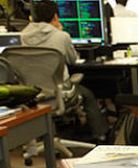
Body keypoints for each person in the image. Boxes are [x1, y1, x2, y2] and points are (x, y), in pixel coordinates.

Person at [21, 1, 109, 141]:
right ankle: (101, 135)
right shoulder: (61, 36)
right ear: (55, 16)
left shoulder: (22, 36)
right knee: (88, 94)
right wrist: (60, 32)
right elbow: (72, 60)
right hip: (58, 93)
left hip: (33, 95)